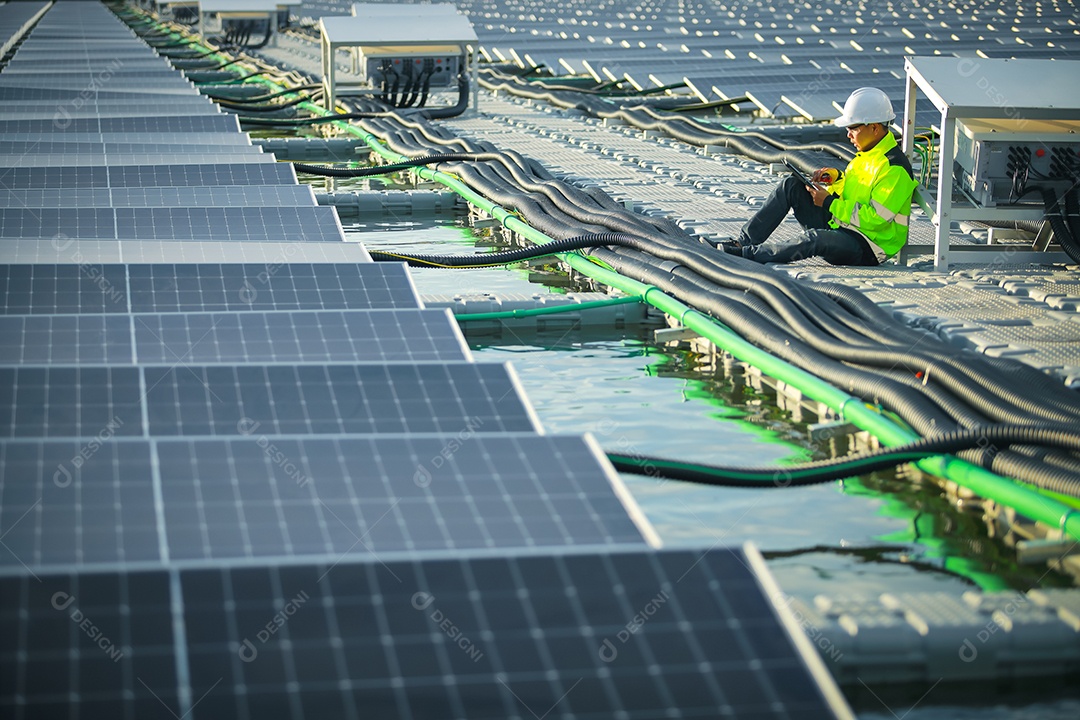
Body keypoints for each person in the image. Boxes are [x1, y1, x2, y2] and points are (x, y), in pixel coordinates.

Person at [722, 87, 918, 266]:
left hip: (867, 246)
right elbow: (856, 192)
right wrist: (836, 179)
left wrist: (829, 203)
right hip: (842, 226)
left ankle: (747, 255)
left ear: (874, 128)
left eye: (852, 128)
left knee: (815, 239)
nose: (848, 135)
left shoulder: (894, 168)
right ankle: (742, 243)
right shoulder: (867, 154)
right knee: (791, 185)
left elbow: (875, 219)